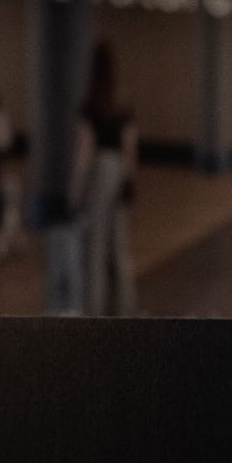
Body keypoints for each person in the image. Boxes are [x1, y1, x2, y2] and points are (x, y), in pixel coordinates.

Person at [72, 42, 137, 316]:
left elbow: (84, 153)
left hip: (100, 170)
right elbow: (130, 144)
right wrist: (129, 178)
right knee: (119, 247)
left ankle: (94, 310)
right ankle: (126, 308)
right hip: (119, 168)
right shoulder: (122, 102)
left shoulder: (91, 105)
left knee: (95, 246)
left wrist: (75, 193)